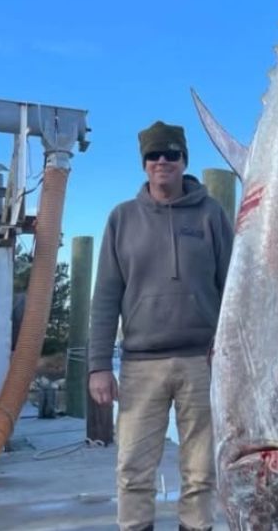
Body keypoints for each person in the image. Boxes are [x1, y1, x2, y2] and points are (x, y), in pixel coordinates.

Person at [88, 120, 233, 531]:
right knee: (133, 469)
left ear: (184, 159)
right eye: (154, 155)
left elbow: (235, 289)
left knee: (202, 472)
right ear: (144, 163)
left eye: (171, 153)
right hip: (139, 365)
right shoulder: (121, 218)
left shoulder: (211, 215)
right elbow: (105, 298)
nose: (162, 161)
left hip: (203, 364)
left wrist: (233, 357)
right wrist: (99, 366)